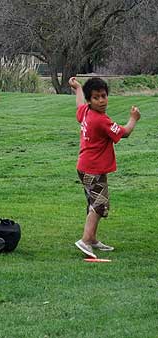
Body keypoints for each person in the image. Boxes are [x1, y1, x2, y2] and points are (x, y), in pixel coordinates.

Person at [69, 77, 140, 258]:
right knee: (100, 205)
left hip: (84, 167)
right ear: (90, 100)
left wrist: (77, 88)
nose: (101, 100)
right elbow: (125, 133)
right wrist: (133, 119)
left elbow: (79, 105)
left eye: (104, 96)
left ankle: (92, 238)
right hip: (93, 170)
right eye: (96, 98)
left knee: (93, 204)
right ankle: (85, 241)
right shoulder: (101, 121)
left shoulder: (85, 111)